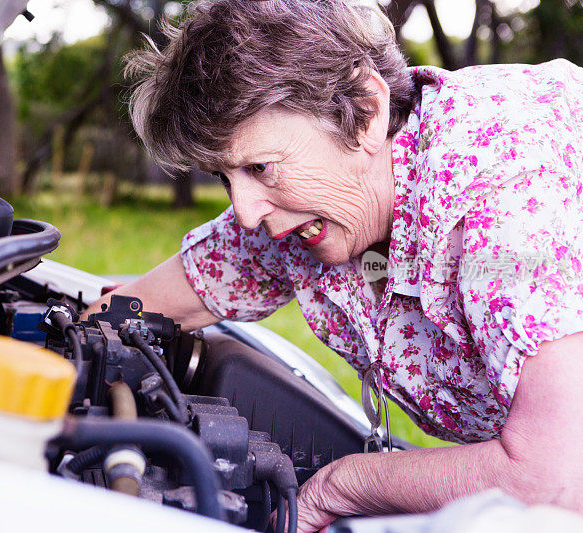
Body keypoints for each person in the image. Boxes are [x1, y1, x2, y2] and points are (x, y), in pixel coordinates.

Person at [83, 0, 583, 530]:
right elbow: (139, 308)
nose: (247, 212)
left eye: (259, 167)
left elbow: (556, 478)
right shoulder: (314, 200)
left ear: (366, 112)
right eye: (227, 178)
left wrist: (336, 489)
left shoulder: (505, 201)